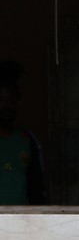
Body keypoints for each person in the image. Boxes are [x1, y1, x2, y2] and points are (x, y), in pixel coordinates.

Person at [0, 61, 47, 206]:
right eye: (1, 100)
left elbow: (37, 188)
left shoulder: (27, 140)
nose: (6, 106)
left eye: (11, 100)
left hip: (21, 222)